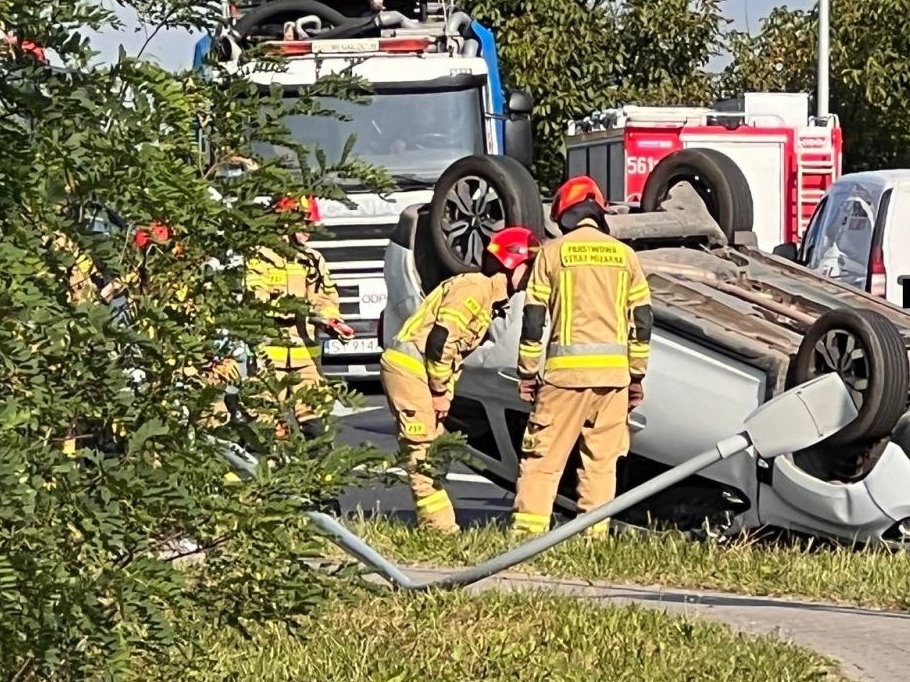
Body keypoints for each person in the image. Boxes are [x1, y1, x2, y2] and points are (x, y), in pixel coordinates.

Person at [512, 176, 651, 540]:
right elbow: (642, 321)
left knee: (543, 461)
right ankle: (594, 540)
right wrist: (636, 375)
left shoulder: (552, 253)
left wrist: (527, 371)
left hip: (563, 379)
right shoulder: (625, 256)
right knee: (601, 465)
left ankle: (527, 541)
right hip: (614, 382)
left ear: (563, 215)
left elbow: (533, 319)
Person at [380, 226, 540, 533]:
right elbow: (440, 341)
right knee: (421, 449)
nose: (533, 276)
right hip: (410, 369)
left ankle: (437, 525)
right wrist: (440, 391)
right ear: (513, 264)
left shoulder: (491, 297)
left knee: (437, 449)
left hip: (422, 371)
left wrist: (444, 390)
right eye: (530, 266)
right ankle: (439, 530)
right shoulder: (475, 289)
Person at [244, 195, 355, 441]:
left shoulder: (313, 260)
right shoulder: (258, 258)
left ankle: (320, 476)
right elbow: (257, 300)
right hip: (268, 358)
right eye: (305, 222)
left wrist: (331, 320)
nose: (311, 229)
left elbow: (326, 297)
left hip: (306, 356)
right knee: (268, 428)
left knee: (316, 424)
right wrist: (301, 311)